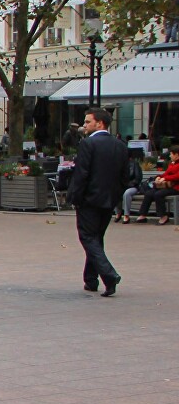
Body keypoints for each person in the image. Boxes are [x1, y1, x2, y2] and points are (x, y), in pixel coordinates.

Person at [67, 107, 131, 297]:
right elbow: (125, 176)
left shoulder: (88, 144)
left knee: (87, 237)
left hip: (89, 200)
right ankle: (91, 279)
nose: (84, 125)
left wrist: (75, 197)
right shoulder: (120, 145)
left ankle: (108, 275)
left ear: (100, 123)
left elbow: (82, 174)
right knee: (96, 238)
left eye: (88, 122)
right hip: (108, 200)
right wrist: (116, 196)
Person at [134, 144, 179, 225]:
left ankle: (163, 216)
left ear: (176, 155)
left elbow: (177, 176)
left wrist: (165, 178)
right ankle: (143, 214)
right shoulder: (172, 163)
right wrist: (158, 177)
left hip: (176, 187)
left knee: (158, 194)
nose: (170, 155)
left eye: (171, 154)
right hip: (167, 186)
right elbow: (166, 173)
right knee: (149, 193)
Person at [116, 153, 144, 223]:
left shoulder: (135, 164)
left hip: (133, 186)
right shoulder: (120, 165)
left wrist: (128, 184)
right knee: (115, 191)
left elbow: (138, 178)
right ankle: (118, 213)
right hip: (123, 186)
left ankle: (126, 215)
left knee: (127, 193)